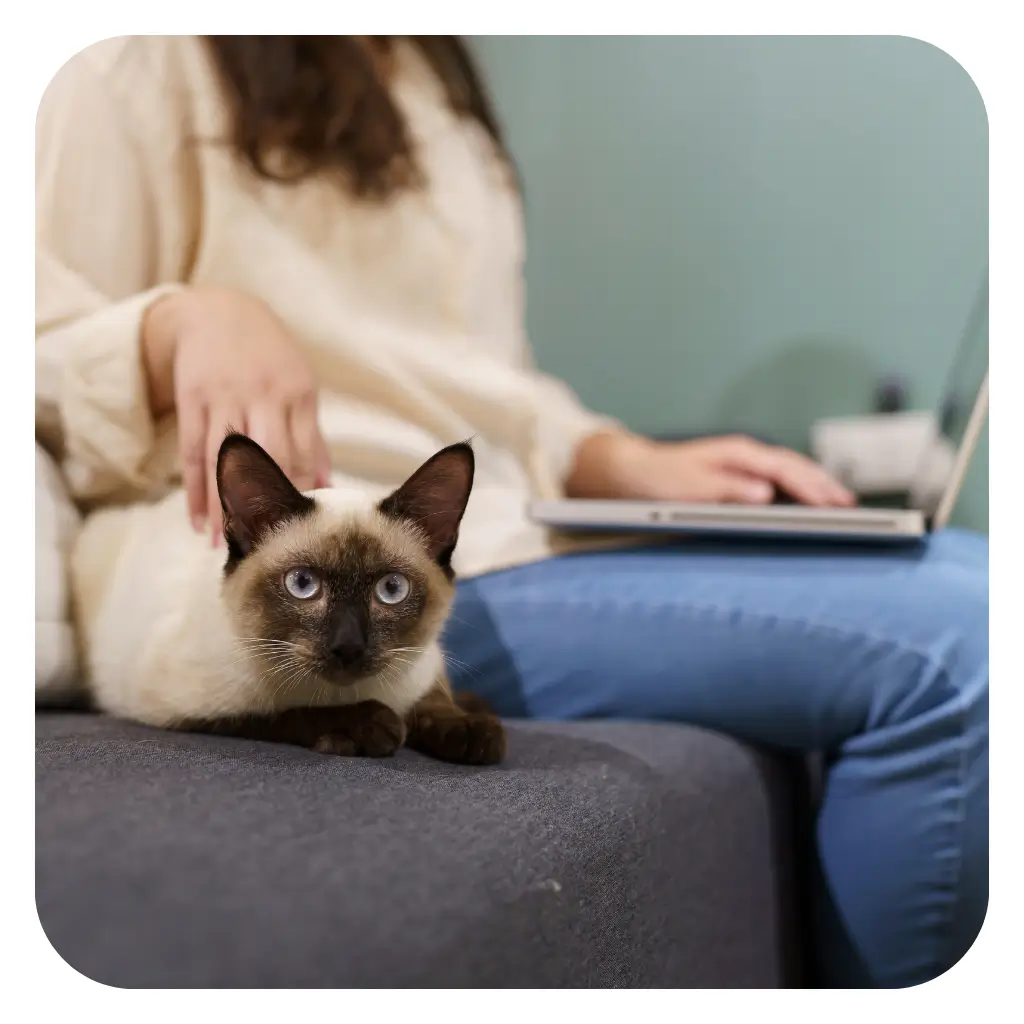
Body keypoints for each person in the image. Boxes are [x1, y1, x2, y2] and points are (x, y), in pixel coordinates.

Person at [35, 35, 987, 988]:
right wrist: (174, 324)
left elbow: (489, 382)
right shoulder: (137, 54)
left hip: (491, 515)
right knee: (961, 642)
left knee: (967, 569)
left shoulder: (429, 72)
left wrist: (613, 455)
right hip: (394, 535)